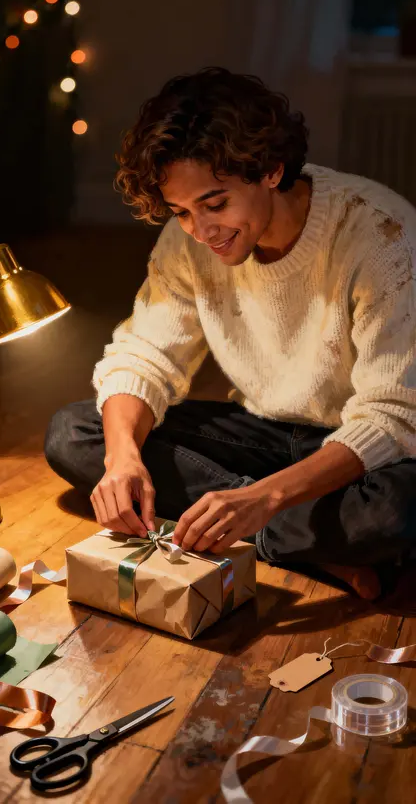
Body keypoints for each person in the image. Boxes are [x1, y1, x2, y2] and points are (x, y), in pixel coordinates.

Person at [45, 67, 416, 601]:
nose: (201, 231)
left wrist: (263, 500)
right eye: (181, 211)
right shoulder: (188, 240)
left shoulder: (381, 233)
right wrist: (123, 456)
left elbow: (393, 416)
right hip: (264, 434)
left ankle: (260, 529)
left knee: (396, 510)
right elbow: (145, 354)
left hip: (362, 452)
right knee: (76, 432)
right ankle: (310, 547)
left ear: (270, 169)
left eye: (215, 204)